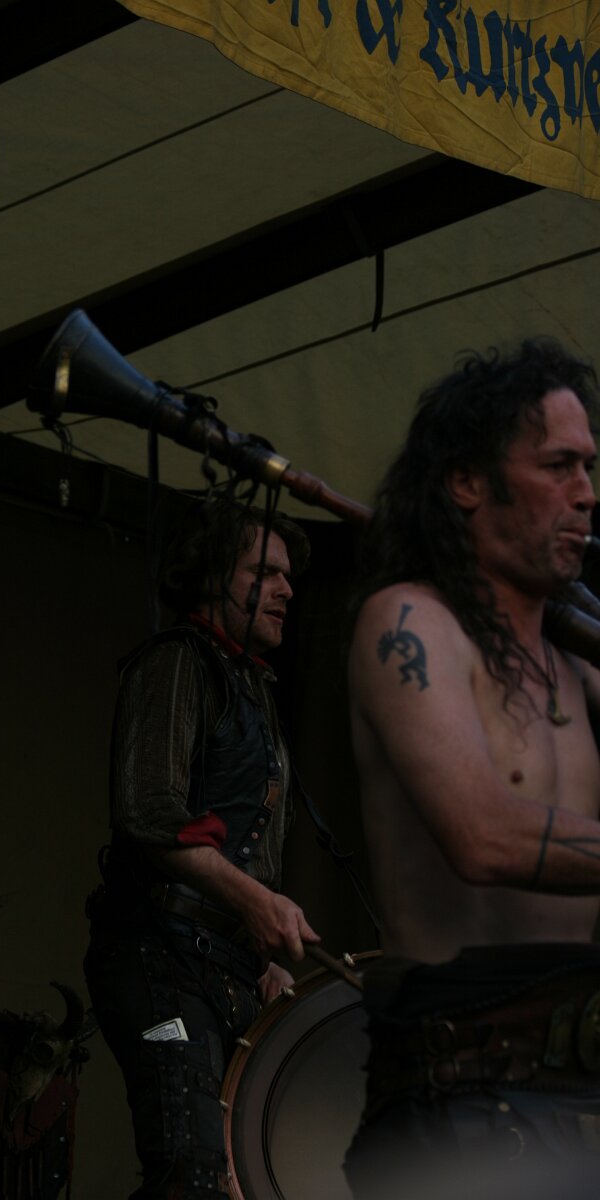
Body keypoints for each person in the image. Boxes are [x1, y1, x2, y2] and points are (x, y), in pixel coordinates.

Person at [343, 337, 600, 1200]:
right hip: (452, 1104)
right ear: (467, 482)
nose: (587, 493)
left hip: (576, 1092)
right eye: (558, 466)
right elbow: (483, 835)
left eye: (590, 466)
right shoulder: (410, 624)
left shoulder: (578, 662)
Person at [83, 497, 319, 1200]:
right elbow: (149, 813)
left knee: (241, 1180)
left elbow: (251, 846)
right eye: (264, 572)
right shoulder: (176, 661)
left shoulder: (251, 684)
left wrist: (264, 956)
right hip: (160, 955)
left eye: (287, 574)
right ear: (213, 575)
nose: (286, 589)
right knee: (191, 1171)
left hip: (223, 967)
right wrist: (257, 904)